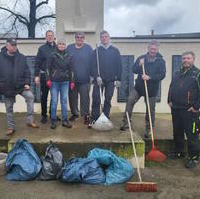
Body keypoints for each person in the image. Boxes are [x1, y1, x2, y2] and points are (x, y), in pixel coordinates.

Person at [120, 40, 166, 139]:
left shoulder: (161, 61)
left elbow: (162, 75)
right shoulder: (141, 58)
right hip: (139, 87)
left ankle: (149, 130)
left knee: (150, 110)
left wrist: (150, 77)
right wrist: (140, 65)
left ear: (157, 49)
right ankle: (126, 123)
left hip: (151, 90)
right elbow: (134, 69)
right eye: (151, 48)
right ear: (148, 48)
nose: (153, 50)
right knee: (130, 100)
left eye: (155, 49)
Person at [168, 51, 200, 168]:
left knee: (192, 134)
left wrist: (196, 107)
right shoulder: (177, 73)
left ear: (193, 59)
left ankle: (194, 157)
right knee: (177, 132)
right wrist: (169, 100)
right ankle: (179, 152)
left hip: (190, 110)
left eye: (188, 58)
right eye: (184, 58)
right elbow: (172, 87)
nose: (185, 60)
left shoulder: (197, 74)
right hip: (176, 108)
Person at [0, 38, 39, 135]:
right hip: (7, 87)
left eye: (15, 45)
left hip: (21, 85)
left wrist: (27, 83)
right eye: (12, 45)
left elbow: (27, 72)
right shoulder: (0, 58)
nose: (14, 47)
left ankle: (30, 120)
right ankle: (11, 127)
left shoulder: (21, 57)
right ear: (7, 46)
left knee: (30, 96)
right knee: (9, 107)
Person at [89, 30, 122, 127]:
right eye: (102, 37)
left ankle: (105, 117)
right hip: (99, 80)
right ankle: (94, 118)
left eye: (106, 36)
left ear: (109, 38)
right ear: (100, 38)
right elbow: (92, 66)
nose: (104, 38)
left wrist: (118, 78)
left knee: (108, 99)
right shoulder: (96, 51)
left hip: (111, 80)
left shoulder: (115, 51)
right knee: (96, 99)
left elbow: (119, 65)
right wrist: (96, 76)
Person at [66, 32, 93, 125]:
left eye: (81, 37)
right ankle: (75, 113)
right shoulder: (69, 48)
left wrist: (92, 76)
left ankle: (86, 115)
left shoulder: (88, 48)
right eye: (77, 37)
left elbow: (93, 63)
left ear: (84, 39)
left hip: (85, 79)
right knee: (72, 98)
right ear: (75, 38)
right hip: (72, 80)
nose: (79, 39)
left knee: (85, 99)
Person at [47, 39, 73, 129]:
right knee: (54, 101)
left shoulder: (69, 55)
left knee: (64, 101)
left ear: (65, 46)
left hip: (65, 82)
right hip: (54, 82)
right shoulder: (52, 55)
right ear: (57, 45)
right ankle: (53, 120)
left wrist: (72, 81)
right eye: (60, 44)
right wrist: (48, 79)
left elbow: (71, 70)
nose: (61, 45)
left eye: (63, 44)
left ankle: (65, 120)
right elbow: (48, 68)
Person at [34, 30, 57, 124]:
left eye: (51, 35)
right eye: (48, 35)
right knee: (44, 96)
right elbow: (37, 63)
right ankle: (44, 115)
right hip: (44, 76)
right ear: (46, 37)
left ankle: (53, 114)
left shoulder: (58, 48)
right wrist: (36, 75)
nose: (50, 37)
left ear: (54, 37)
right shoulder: (42, 48)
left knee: (54, 97)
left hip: (55, 76)